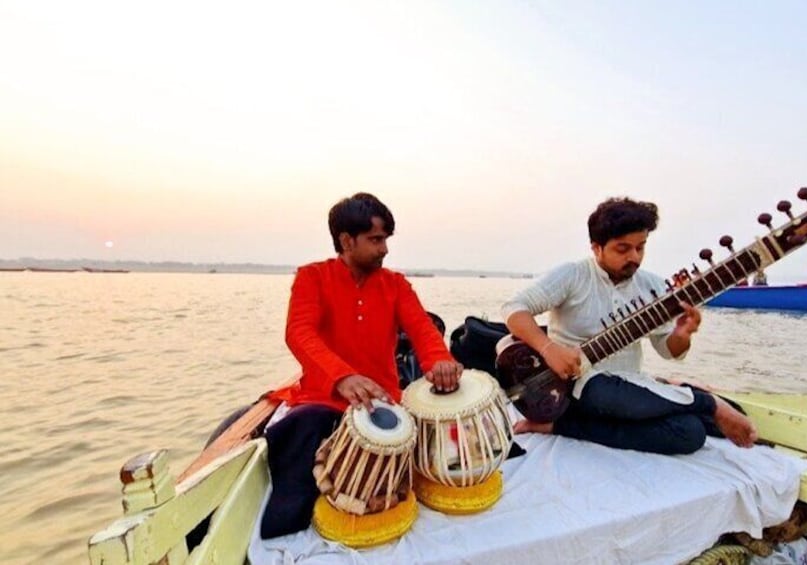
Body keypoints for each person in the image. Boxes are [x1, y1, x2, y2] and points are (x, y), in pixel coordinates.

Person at [260, 192, 463, 538]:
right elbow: (299, 333)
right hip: (323, 399)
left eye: (385, 240)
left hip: (384, 402)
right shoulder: (313, 277)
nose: (384, 249)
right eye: (376, 239)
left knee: (446, 430)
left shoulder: (396, 285)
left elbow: (422, 330)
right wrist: (341, 377)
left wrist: (441, 361)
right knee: (301, 428)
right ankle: (289, 528)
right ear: (346, 240)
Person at [501, 197, 757, 455]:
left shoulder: (653, 287)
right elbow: (513, 308)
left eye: (640, 247)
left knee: (690, 433)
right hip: (574, 389)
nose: (634, 257)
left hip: (630, 390)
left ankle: (561, 426)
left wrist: (682, 334)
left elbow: (669, 351)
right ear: (597, 248)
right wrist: (548, 348)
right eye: (623, 249)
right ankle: (706, 402)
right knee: (601, 393)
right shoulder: (574, 275)